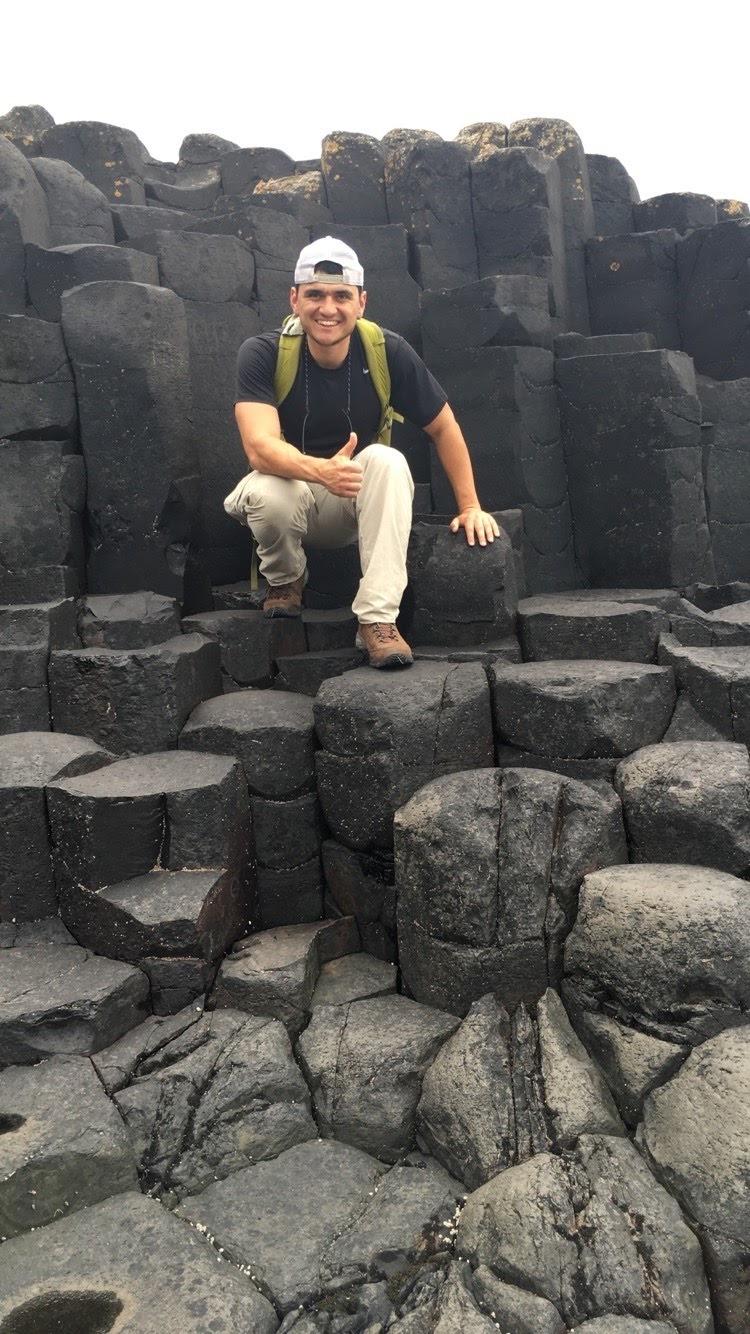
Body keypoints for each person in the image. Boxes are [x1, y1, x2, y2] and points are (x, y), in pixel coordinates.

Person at [225, 236, 500, 669]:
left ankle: (377, 619)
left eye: (341, 296)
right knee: (266, 491)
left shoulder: (387, 351)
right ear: (294, 299)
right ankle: (286, 579)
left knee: (388, 461)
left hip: (348, 502)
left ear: (361, 303)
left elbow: (444, 426)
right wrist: (323, 471)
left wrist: (470, 506)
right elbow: (260, 448)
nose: (328, 308)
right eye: (315, 294)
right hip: (289, 496)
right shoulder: (262, 353)